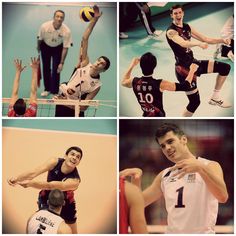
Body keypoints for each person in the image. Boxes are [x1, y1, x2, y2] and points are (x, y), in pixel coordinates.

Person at [120, 123, 228, 233]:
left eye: (170, 141)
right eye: (163, 146)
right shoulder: (165, 175)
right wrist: (136, 179)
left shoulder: (209, 165)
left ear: (184, 139)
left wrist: (200, 168)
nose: (167, 148)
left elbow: (223, 197)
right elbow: (138, 204)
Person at [166, 4, 232, 117]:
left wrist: (222, 40)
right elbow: (183, 43)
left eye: (179, 12)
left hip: (194, 63)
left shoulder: (187, 27)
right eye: (175, 13)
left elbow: (206, 39)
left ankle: (215, 98)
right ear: (171, 16)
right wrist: (198, 44)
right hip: (183, 70)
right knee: (194, 103)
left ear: (183, 13)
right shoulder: (171, 32)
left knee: (225, 67)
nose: (178, 15)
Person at [8, 146, 82, 234]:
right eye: (72, 154)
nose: (74, 158)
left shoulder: (74, 181)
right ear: (65, 156)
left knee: (71, 232)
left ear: (78, 162)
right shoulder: (54, 162)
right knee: (44, 224)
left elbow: (51, 186)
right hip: (47, 198)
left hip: (66, 203)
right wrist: (17, 178)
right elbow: (33, 172)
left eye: (78, 157)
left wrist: (30, 184)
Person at [55, 5, 110, 117]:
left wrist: (67, 103)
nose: (98, 63)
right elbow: (85, 38)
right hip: (62, 101)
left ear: (103, 70)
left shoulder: (97, 85)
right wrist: (95, 19)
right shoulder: (84, 63)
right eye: (98, 60)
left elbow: (84, 107)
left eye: (102, 64)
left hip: (75, 109)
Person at [121, 52, 199, 117]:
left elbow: (123, 82)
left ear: (141, 66)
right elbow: (185, 86)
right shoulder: (160, 84)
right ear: (154, 66)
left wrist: (132, 65)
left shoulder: (134, 82)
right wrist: (192, 70)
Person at [37, 10, 72, 97]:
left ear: (63, 19)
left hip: (58, 48)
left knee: (56, 69)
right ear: (54, 17)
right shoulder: (44, 26)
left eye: (61, 17)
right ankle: (47, 89)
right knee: (46, 68)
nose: (59, 19)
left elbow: (65, 47)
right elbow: (40, 39)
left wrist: (61, 63)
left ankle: (55, 91)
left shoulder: (67, 31)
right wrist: (38, 48)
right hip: (45, 47)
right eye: (57, 16)